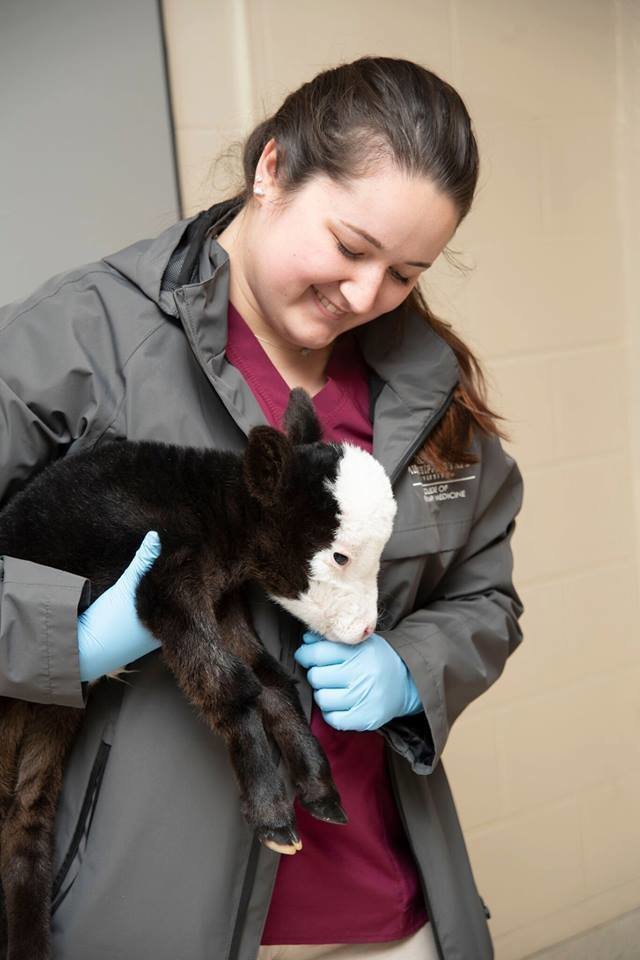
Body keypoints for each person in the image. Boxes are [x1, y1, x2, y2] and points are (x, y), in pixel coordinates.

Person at [0, 56, 523, 960]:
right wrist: (64, 640)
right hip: (150, 920)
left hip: (393, 917)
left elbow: (487, 600)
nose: (366, 297)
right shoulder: (80, 339)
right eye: (351, 248)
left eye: (404, 273)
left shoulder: (423, 389)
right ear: (272, 169)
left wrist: (410, 669)